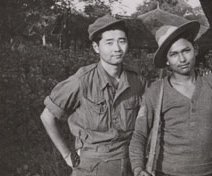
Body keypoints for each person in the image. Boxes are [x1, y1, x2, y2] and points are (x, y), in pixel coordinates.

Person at [40, 14, 147, 176]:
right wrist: (67, 154)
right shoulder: (81, 80)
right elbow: (47, 116)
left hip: (130, 165)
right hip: (92, 166)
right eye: (109, 42)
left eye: (122, 41)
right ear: (96, 47)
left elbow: (145, 124)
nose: (117, 48)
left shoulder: (137, 80)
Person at [129, 21, 212, 176]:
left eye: (185, 50)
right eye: (174, 54)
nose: (182, 59)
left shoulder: (211, 83)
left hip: (207, 172)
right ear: (167, 60)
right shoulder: (156, 91)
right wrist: (138, 168)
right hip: (167, 172)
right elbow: (140, 133)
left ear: (195, 50)